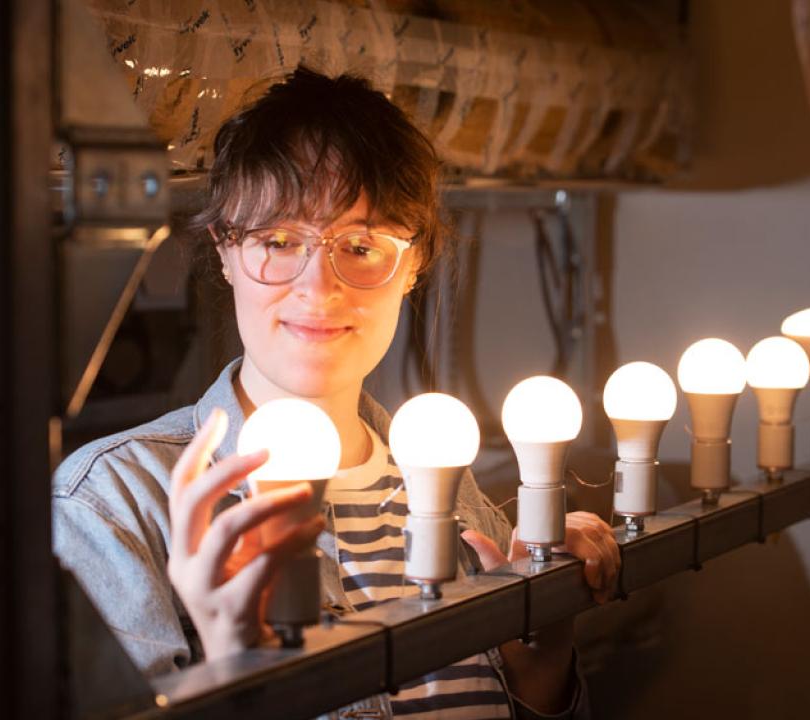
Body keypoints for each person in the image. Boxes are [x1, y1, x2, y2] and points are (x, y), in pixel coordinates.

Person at [52, 66, 620, 719]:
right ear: (225, 251)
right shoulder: (113, 508)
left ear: (414, 263)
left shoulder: (445, 483)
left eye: (361, 245)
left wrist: (540, 666)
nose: (319, 289)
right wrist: (237, 673)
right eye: (278, 240)